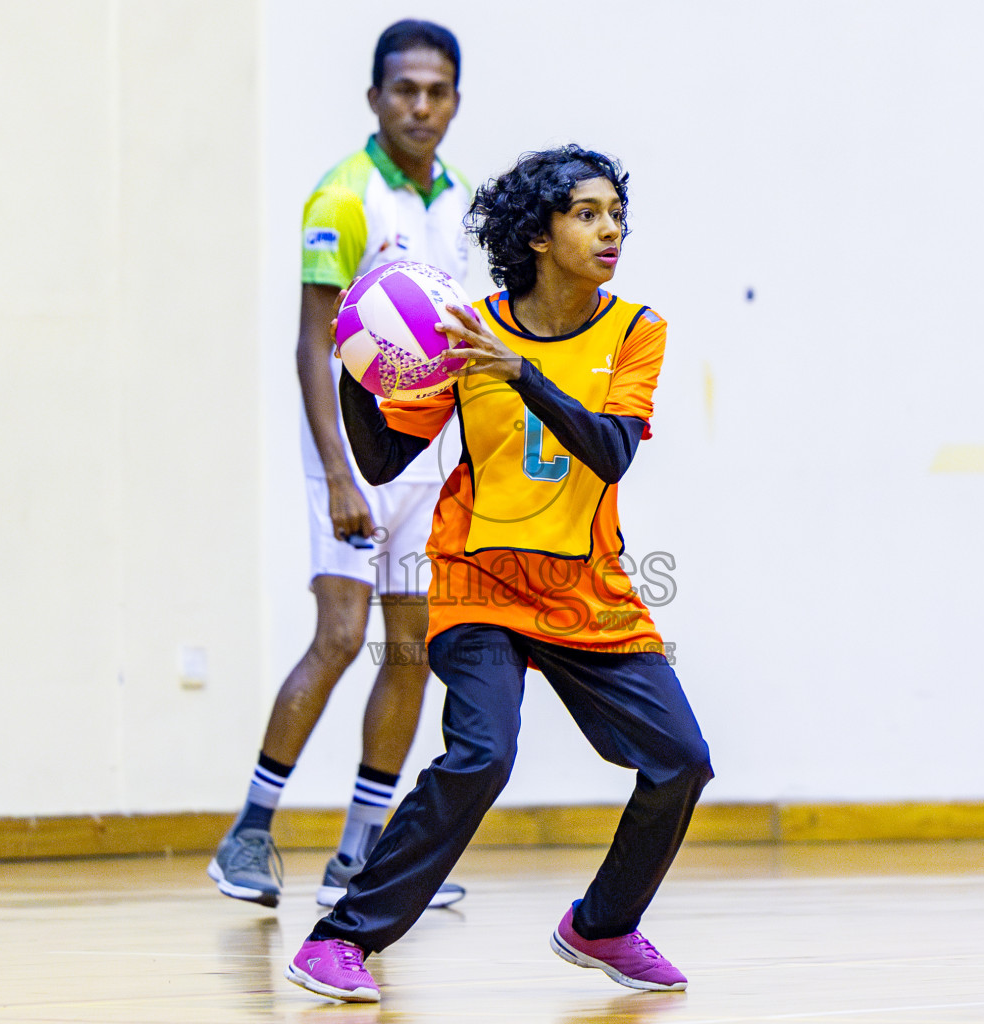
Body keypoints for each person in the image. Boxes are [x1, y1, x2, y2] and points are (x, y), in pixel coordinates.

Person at [282, 145, 714, 1004]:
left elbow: (611, 451)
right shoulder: (464, 326)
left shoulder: (636, 329)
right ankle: (339, 940)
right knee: (483, 755)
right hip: (479, 582)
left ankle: (602, 924)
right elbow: (382, 456)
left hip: (587, 589)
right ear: (540, 236)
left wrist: (520, 374)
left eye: (615, 214)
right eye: (587, 214)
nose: (610, 229)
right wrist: (360, 367)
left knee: (682, 761)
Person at [208, 19, 469, 912]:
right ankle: (248, 833)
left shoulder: (459, 204)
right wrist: (339, 474)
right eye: (405, 89)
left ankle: (358, 856)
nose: (421, 106)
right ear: (375, 97)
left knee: (411, 651)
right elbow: (314, 346)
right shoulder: (343, 198)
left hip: (426, 466)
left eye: (437, 91)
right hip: (352, 465)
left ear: (455, 102)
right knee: (340, 636)